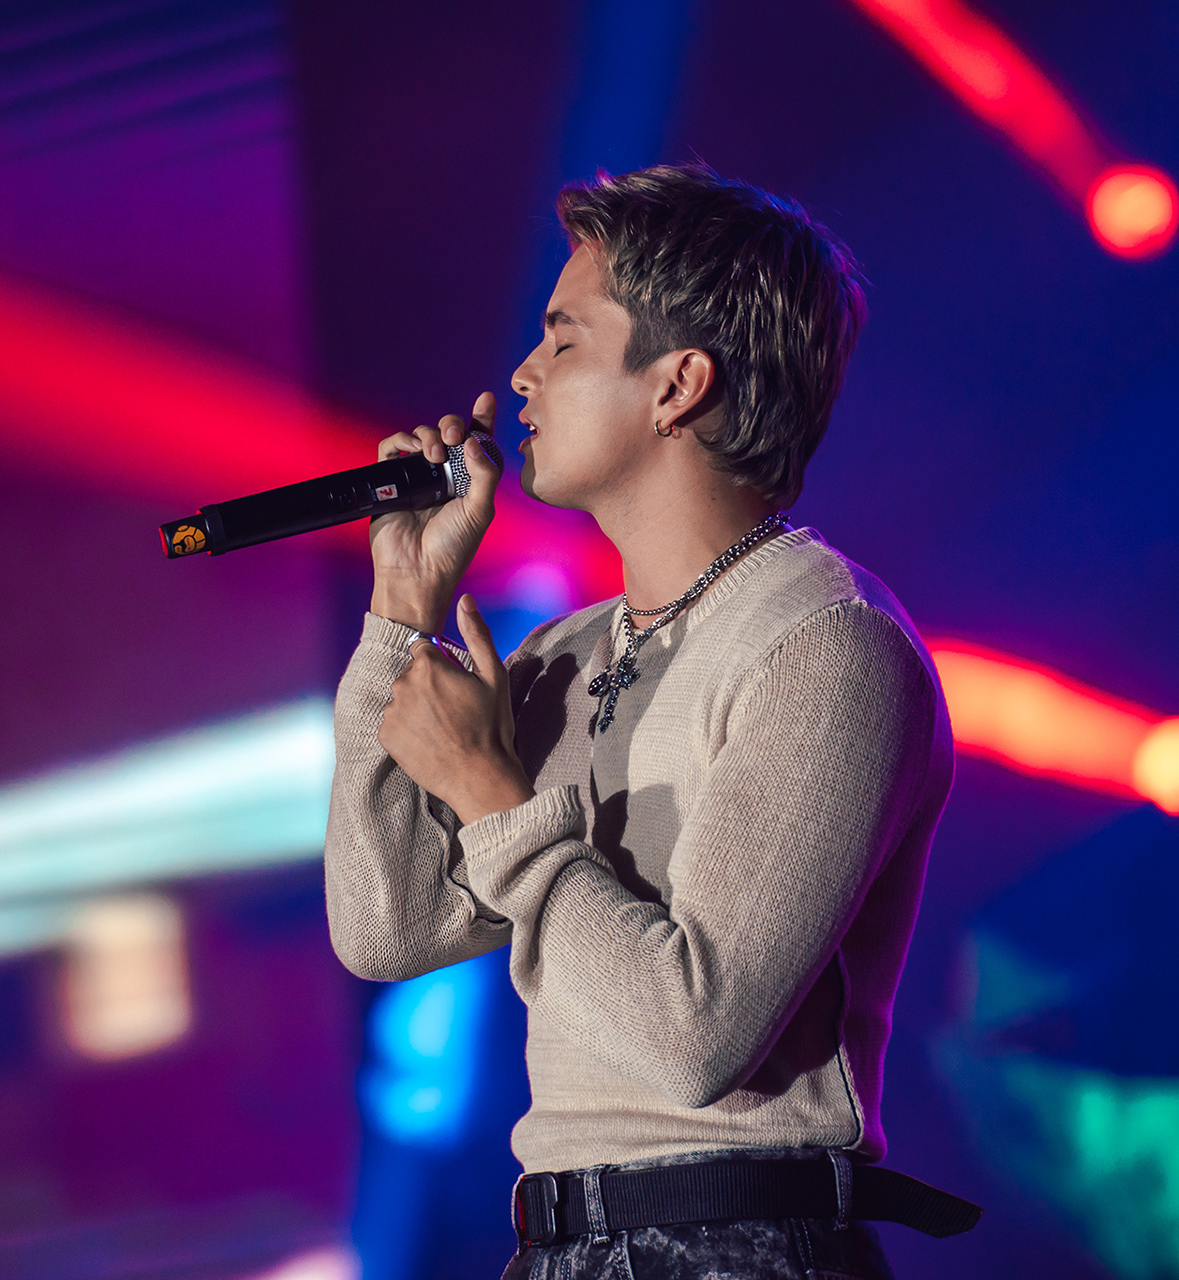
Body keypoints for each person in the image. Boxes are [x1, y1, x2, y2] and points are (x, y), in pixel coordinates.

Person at [324, 165, 973, 1280]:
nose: (522, 375)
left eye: (564, 338)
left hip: (740, 1243)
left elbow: (692, 1036)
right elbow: (387, 928)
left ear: (677, 384)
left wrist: (492, 794)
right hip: (554, 1244)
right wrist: (399, 614)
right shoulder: (562, 656)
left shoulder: (827, 643)